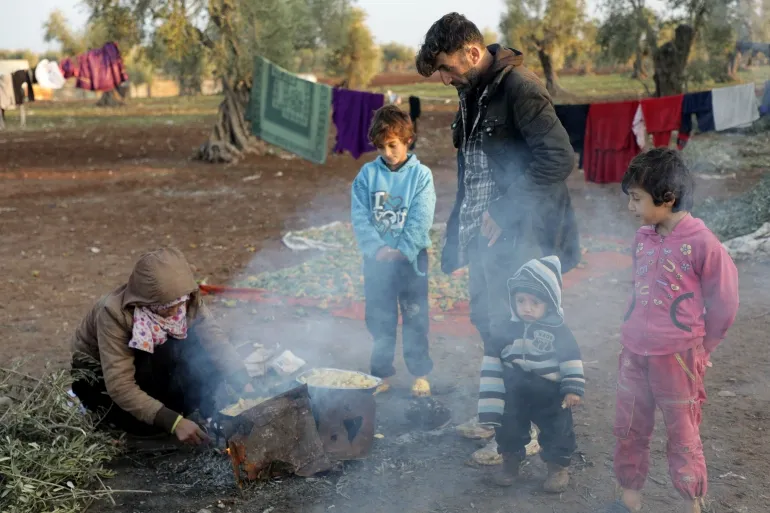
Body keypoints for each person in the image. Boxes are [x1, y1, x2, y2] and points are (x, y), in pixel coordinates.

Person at [415, 12, 580, 459]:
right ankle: (501, 419)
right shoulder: (471, 93)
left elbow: (559, 159)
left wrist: (505, 210)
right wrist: (458, 235)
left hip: (522, 233)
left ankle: (522, 435)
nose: (446, 78)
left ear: (472, 52)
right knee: (490, 326)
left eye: (448, 67)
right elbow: (475, 171)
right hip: (484, 238)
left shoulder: (520, 88)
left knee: (520, 332)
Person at [607, 149, 739, 513]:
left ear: (667, 198)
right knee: (630, 426)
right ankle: (629, 501)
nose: (631, 207)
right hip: (634, 352)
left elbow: (725, 302)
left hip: (678, 358)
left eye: (637, 198)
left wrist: (704, 347)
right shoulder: (643, 238)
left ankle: (691, 504)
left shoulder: (703, 244)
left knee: (682, 433)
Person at [70, 247, 254, 445]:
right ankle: (137, 424)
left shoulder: (186, 299)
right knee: (146, 427)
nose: (175, 311)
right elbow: (120, 385)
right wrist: (173, 422)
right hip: (99, 380)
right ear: (146, 301)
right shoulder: (114, 314)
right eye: (166, 307)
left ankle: (182, 408)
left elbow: (215, 341)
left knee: (200, 357)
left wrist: (243, 381)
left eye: (179, 304)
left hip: (154, 362)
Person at [351, 105, 436, 397]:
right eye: (382, 146)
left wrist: (403, 249)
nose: (388, 152)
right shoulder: (366, 175)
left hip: (411, 262)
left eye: (393, 145)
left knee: (415, 317)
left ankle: (420, 372)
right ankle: (381, 373)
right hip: (377, 262)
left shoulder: (421, 176)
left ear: (407, 140)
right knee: (379, 318)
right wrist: (378, 249)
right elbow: (360, 217)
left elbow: (422, 216)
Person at [478, 256, 584, 491]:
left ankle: (557, 466)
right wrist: (490, 403)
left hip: (549, 392)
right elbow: (492, 362)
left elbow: (571, 358)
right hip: (514, 390)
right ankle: (511, 462)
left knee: (558, 429)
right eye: (521, 300)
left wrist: (572, 388)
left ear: (550, 302)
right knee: (508, 427)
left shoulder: (558, 331)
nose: (527, 307)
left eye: (535, 302)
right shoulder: (505, 330)